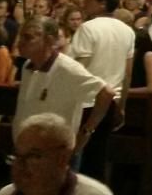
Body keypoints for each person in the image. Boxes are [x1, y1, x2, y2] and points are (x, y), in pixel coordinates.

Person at [13, 17, 115, 154]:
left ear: (48, 40)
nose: (21, 43)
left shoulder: (67, 68)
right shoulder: (27, 66)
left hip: (54, 152)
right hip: (27, 149)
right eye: (21, 37)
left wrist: (86, 131)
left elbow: (106, 92)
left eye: (28, 37)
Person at [68, 0, 135, 181]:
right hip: (111, 100)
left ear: (103, 4)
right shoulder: (127, 31)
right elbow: (127, 73)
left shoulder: (88, 28)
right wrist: (122, 106)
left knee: (76, 157)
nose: (85, 1)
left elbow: (77, 68)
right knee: (97, 159)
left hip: (86, 103)